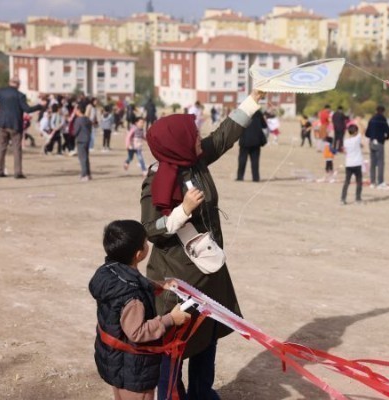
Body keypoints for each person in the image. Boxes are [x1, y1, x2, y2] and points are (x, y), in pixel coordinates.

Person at [140, 89, 265, 400]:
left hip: (210, 271)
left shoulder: (194, 160)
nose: (199, 137)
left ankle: (202, 393)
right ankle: (170, 395)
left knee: (207, 337)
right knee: (175, 343)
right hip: (178, 278)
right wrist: (182, 210)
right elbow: (150, 229)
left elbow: (224, 136)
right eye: (193, 134)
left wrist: (252, 100)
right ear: (177, 141)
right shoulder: (156, 180)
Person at [89, 220, 190, 400]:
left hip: (115, 360)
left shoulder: (108, 271)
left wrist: (158, 286)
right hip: (134, 370)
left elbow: (128, 282)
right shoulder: (133, 298)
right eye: (145, 242)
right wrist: (170, 319)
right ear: (139, 254)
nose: (147, 245)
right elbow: (137, 332)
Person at [0, 77, 45, 178]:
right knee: (17, 149)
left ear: (9, 82)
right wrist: (39, 106)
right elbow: (27, 109)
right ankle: (17, 172)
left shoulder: (1, 92)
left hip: (2, 123)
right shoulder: (20, 95)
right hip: (15, 125)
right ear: (18, 84)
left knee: (1, 148)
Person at [365, 105, 389, 190]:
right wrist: (386, 138)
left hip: (372, 141)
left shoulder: (372, 119)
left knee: (373, 162)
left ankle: (372, 182)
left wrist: (371, 136)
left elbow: (367, 132)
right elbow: (388, 131)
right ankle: (380, 182)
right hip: (380, 142)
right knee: (380, 163)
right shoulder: (383, 119)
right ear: (383, 111)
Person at [237, 109, 267, 182]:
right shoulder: (258, 113)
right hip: (256, 140)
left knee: (242, 159)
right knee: (255, 160)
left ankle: (240, 177)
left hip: (245, 140)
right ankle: (255, 178)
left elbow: (237, 125)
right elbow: (264, 125)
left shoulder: (243, 111)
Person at [340, 124, 363, 205]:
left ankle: (343, 199)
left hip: (349, 164)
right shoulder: (357, 139)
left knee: (347, 182)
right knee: (359, 182)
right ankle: (358, 199)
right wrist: (359, 121)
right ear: (356, 132)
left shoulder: (346, 141)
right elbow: (362, 131)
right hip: (357, 163)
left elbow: (345, 151)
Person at [74, 104, 92, 181]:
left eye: (76, 109)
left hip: (81, 140)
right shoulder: (87, 119)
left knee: (82, 158)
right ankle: (88, 174)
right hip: (87, 139)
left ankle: (84, 174)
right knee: (86, 157)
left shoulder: (78, 120)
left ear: (78, 110)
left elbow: (76, 131)